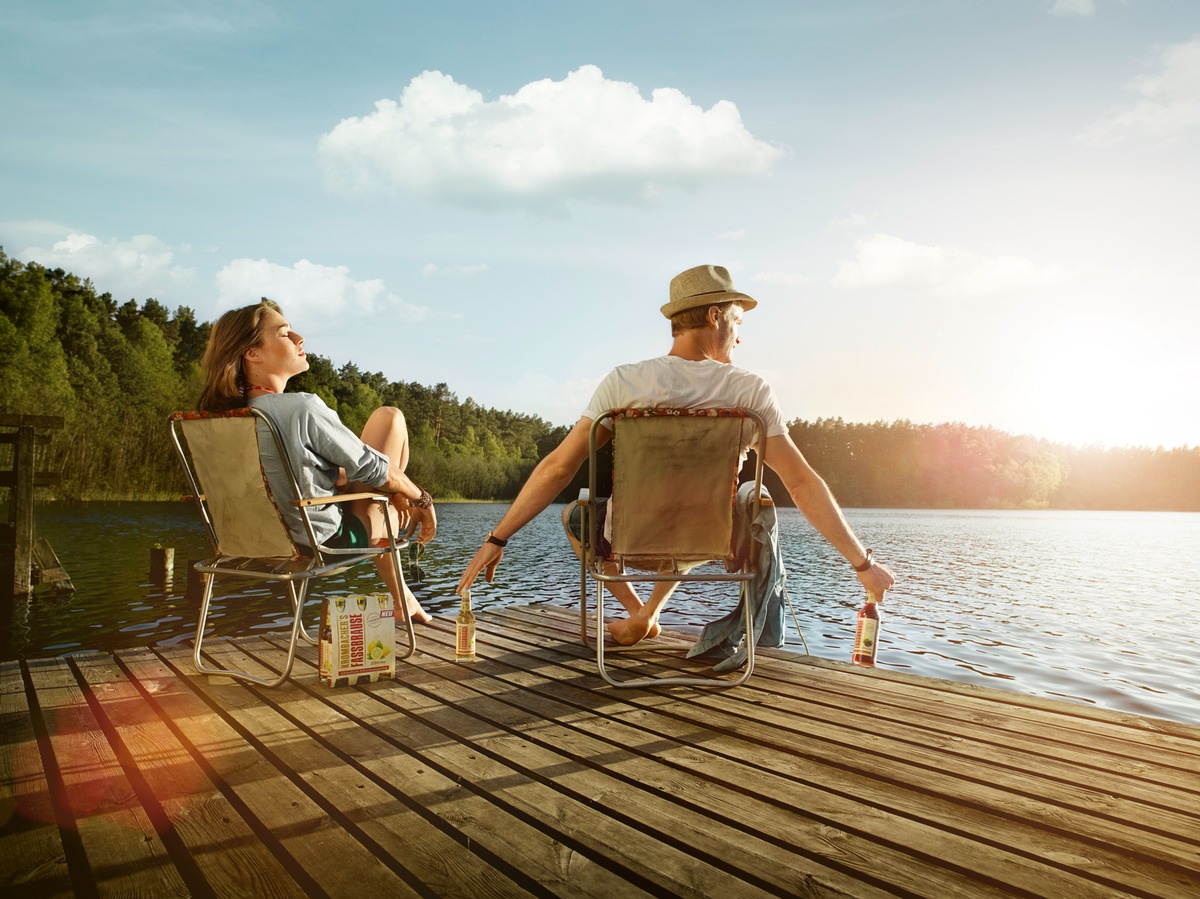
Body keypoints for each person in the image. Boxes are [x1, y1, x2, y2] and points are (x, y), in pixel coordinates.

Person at [455, 264, 895, 644]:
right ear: (714, 316)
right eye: (738, 323)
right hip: (716, 537)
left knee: (576, 513)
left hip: (630, 535)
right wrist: (863, 563)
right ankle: (646, 615)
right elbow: (800, 483)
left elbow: (558, 466)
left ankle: (639, 614)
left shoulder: (624, 384)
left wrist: (497, 538)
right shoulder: (748, 391)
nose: (740, 338)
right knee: (738, 501)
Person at [198, 298, 437, 623]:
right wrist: (419, 497)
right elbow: (373, 468)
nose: (300, 339)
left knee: (386, 444)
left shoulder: (221, 421)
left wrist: (378, 482)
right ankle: (403, 598)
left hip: (246, 546)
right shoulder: (299, 409)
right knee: (391, 422)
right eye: (285, 334)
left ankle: (404, 598)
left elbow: (281, 479)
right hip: (321, 545)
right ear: (253, 353)